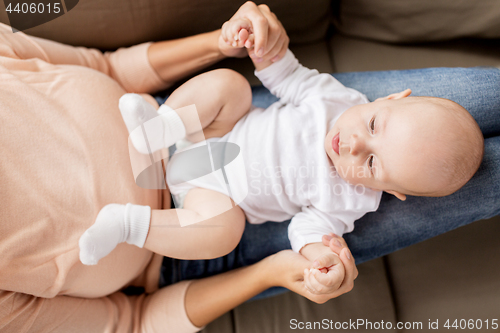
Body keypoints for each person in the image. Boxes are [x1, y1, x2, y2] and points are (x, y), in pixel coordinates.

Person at [78, 24, 483, 299]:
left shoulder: (351, 200)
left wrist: (319, 255)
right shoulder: (336, 99)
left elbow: (308, 227)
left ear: (390, 190)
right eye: (374, 124)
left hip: (210, 196)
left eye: (373, 164)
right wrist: (264, 48)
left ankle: (126, 223)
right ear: (389, 98)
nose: (355, 144)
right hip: (209, 133)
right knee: (232, 87)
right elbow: (287, 77)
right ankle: (156, 129)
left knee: (226, 231)